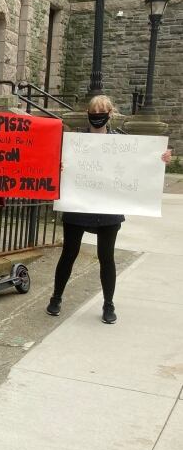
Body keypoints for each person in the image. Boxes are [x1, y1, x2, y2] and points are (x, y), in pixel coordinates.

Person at [47, 95, 172, 323]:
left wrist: (160, 159)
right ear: (88, 114)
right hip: (79, 205)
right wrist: (60, 164)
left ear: (110, 114)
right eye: (94, 113)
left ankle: (108, 303)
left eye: (102, 113)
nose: (97, 117)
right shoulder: (75, 142)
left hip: (108, 208)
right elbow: (54, 163)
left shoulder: (122, 143)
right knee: (69, 253)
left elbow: (141, 164)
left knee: (107, 257)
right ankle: (56, 297)